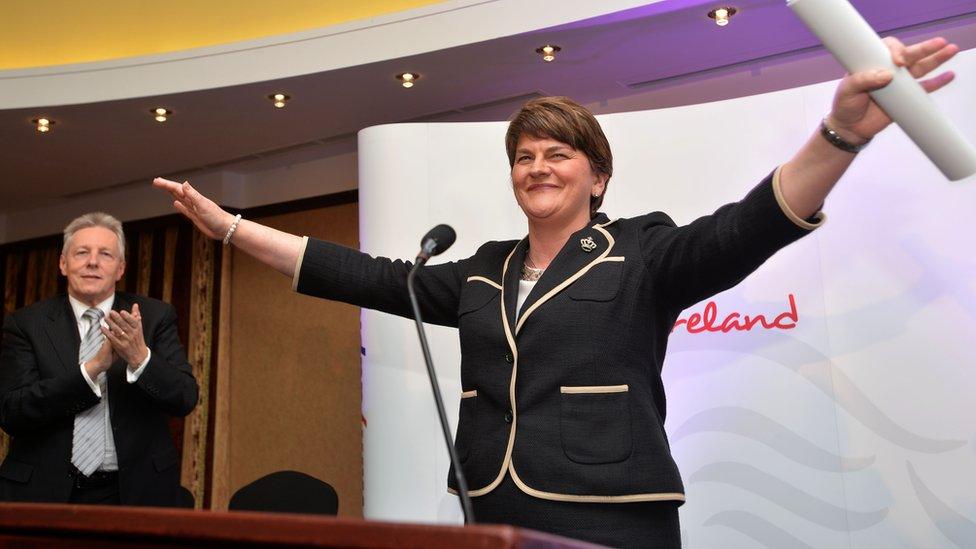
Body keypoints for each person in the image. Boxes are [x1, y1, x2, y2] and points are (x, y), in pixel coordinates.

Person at [153, 36, 957, 547]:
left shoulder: (640, 247)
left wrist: (840, 132)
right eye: (524, 155)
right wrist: (229, 229)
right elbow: (363, 276)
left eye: (558, 154)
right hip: (495, 509)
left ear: (597, 176)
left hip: (611, 510)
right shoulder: (484, 266)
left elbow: (745, 227)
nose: (537, 166)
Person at [0, 212, 199, 506]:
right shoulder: (26, 324)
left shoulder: (155, 316)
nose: (92, 262)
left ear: (120, 268)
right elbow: (12, 412)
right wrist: (92, 370)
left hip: (135, 491)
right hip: (44, 490)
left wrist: (139, 358)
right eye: (82, 253)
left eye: (105, 254)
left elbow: (184, 397)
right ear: (63, 264)